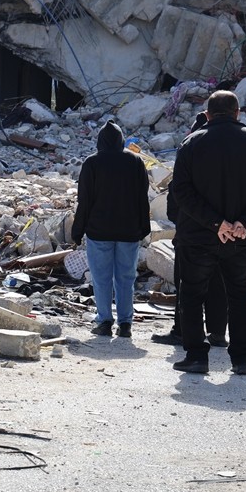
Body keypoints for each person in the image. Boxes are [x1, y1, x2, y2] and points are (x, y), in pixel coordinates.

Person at [170, 90, 246, 375]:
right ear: (238, 113)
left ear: (207, 115)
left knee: (192, 294)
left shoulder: (191, 144)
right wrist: (244, 222)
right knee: (241, 296)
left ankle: (196, 356)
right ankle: (242, 359)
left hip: (199, 236)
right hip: (243, 237)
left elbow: (181, 192)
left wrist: (215, 223)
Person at [153, 111, 228, 348]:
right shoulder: (230, 155)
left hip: (192, 234)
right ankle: (217, 333)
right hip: (225, 234)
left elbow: (178, 195)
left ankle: (182, 332)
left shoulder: (190, 151)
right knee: (218, 285)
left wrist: (179, 221)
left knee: (188, 287)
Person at [71, 120, 151, 338]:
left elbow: (84, 201)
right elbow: (142, 197)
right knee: (126, 277)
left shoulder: (92, 163)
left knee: (101, 278)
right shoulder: (135, 161)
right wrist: (144, 227)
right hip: (129, 231)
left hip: (99, 231)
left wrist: (77, 232)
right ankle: (125, 323)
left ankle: (105, 320)